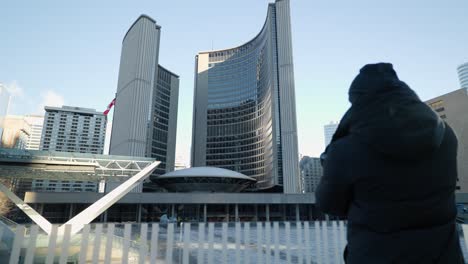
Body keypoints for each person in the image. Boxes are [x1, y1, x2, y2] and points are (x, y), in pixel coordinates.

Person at [316, 63, 464, 263]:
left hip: (376, 255)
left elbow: (330, 204)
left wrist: (331, 164)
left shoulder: (345, 149)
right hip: (444, 256)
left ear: (358, 100)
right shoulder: (446, 135)